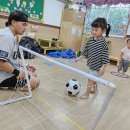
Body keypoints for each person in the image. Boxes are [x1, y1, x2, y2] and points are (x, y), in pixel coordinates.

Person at [0, 10, 40, 92]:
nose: (25, 28)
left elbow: (11, 58)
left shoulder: (10, 35)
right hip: (2, 75)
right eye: (23, 24)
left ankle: (14, 85)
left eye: (26, 25)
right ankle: (11, 86)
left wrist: (26, 65)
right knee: (35, 82)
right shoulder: (7, 37)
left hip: (7, 71)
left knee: (33, 73)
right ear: (13, 22)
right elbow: (1, 62)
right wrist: (18, 73)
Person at [75, 17, 110, 99]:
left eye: (96, 30)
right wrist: (79, 58)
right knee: (94, 78)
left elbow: (105, 56)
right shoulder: (90, 40)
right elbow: (85, 51)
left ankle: (86, 94)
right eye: (92, 29)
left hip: (98, 66)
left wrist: (103, 67)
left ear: (103, 30)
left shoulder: (103, 43)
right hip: (91, 64)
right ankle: (94, 89)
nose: (93, 32)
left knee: (90, 79)